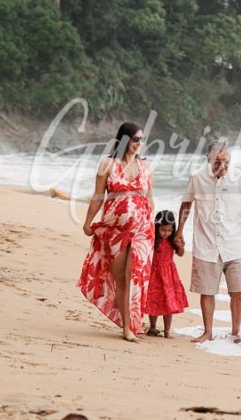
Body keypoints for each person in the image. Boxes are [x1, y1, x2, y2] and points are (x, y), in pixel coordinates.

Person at [176, 139, 241, 343]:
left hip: (235, 245)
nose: (223, 166)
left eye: (226, 160)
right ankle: (208, 332)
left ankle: (236, 332)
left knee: (238, 292)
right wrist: (179, 232)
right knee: (207, 292)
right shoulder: (197, 178)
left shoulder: (240, 178)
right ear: (208, 159)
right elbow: (185, 206)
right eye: (218, 161)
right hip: (206, 245)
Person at [77, 122, 154, 342]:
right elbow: (98, 196)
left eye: (141, 140)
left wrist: (151, 222)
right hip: (115, 230)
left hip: (142, 230)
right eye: (135, 139)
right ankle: (126, 324)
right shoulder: (107, 164)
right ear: (124, 140)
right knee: (121, 279)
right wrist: (87, 222)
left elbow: (150, 198)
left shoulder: (146, 167)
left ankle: (129, 328)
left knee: (134, 276)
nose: (139, 144)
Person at [145, 210, 189, 338]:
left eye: (169, 230)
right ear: (157, 227)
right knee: (154, 301)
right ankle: (152, 327)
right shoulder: (153, 240)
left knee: (169, 303)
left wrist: (180, 246)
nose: (166, 233)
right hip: (154, 275)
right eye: (163, 230)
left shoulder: (172, 240)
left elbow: (180, 254)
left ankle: (167, 331)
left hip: (169, 276)